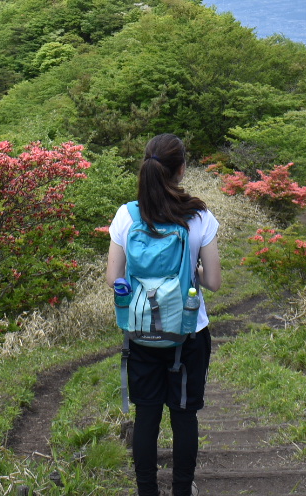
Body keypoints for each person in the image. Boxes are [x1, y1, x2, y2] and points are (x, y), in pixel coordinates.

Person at [107, 132, 222, 496]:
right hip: (188, 331)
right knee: (184, 416)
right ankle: (182, 491)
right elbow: (215, 281)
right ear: (182, 170)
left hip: (141, 331)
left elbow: (113, 278)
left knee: (147, 416)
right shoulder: (199, 215)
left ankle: (147, 492)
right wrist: (194, 274)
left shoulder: (127, 215)